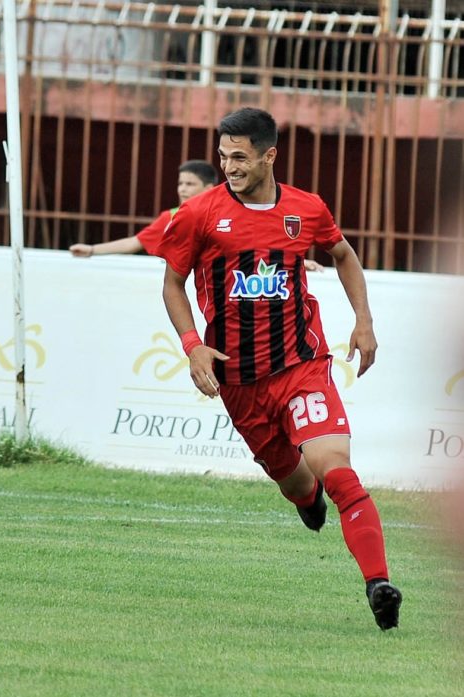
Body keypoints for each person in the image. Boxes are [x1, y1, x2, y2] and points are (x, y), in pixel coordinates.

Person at [158, 107, 402, 630]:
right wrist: (193, 346)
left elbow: (342, 254)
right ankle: (306, 499)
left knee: (338, 471)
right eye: (223, 156)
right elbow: (172, 284)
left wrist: (363, 320)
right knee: (298, 486)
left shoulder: (306, 208)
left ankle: (378, 584)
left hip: (301, 366)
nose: (229, 167)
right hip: (239, 382)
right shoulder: (199, 214)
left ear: (269, 156)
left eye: (239, 157)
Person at [70, 160, 325, 271]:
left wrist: (297, 264)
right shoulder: (171, 217)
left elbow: (256, 254)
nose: (182, 189)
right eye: (180, 183)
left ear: (208, 188)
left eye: (190, 184)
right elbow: (135, 242)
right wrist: (92, 250)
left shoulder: (230, 215)